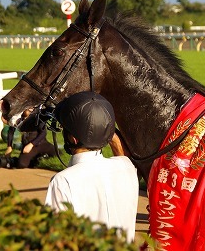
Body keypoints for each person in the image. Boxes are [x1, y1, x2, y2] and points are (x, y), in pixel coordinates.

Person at [44, 91, 139, 243]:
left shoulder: (62, 181)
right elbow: (121, 152)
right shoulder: (127, 167)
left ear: (73, 139)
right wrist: (102, 128)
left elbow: (55, 239)